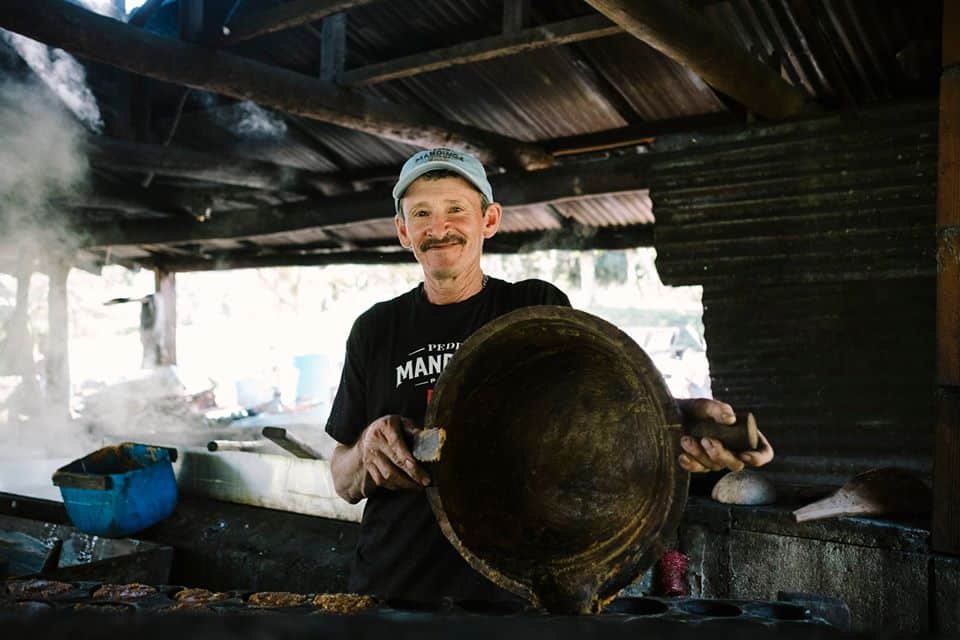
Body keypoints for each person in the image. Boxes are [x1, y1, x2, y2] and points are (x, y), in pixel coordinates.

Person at [325, 147, 774, 603]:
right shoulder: (375, 329)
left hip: (515, 592)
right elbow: (342, 480)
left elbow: (593, 422)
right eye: (421, 213)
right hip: (392, 592)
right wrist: (364, 450)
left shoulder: (534, 310)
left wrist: (671, 418)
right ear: (403, 230)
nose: (438, 229)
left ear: (490, 220)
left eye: (455, 209)